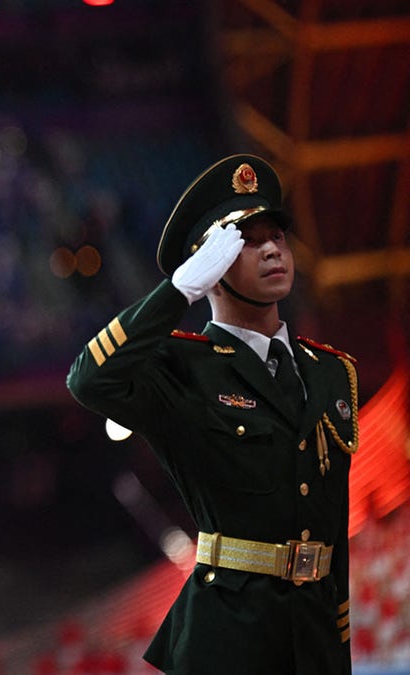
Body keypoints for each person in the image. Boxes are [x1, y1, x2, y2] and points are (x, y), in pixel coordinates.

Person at [67, 154, 357, 674]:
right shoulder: (181, 366)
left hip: (313, 638)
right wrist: (177, 292)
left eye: (278, 236)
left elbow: (334, 524)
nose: (272, 249)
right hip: (228, 637)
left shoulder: (332, 373)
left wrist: (338, 647)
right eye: (246, 241)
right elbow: (89, 379)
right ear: (212, 265)